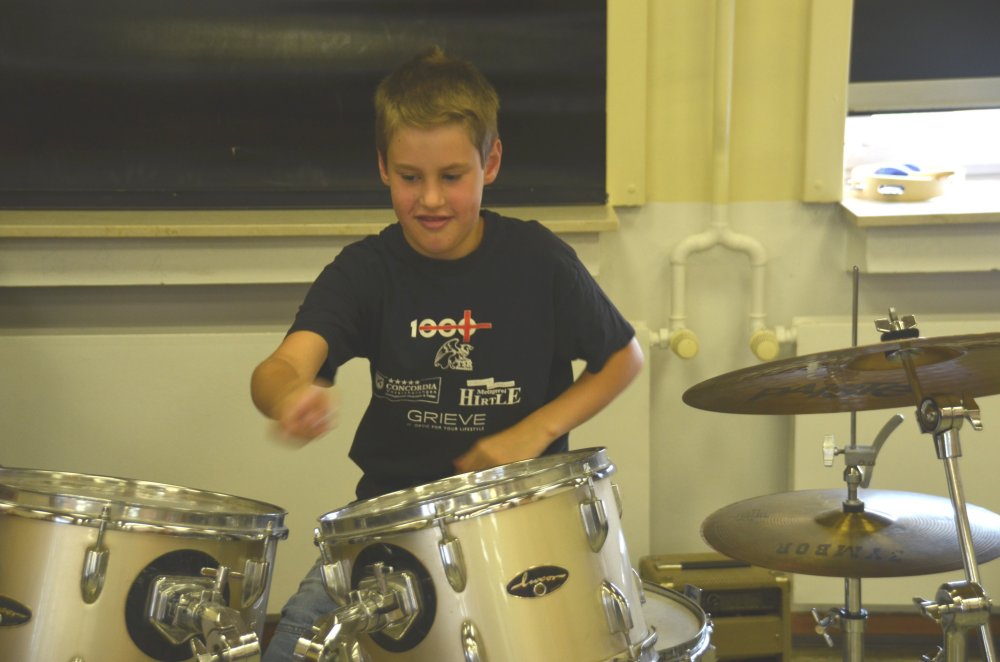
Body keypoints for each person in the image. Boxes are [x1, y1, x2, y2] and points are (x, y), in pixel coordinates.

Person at [251, 45, 644, 661]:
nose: (431, 199)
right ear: (383, 168)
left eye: (452, 177)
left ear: (492, 161)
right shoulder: (365, 272)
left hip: (520, 526)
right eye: (411, 178)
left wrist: (536, 431)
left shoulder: (539, 262)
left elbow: (624, 358)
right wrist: (289, 396)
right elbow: (279, 368)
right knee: (293, 647)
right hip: (390, 535)